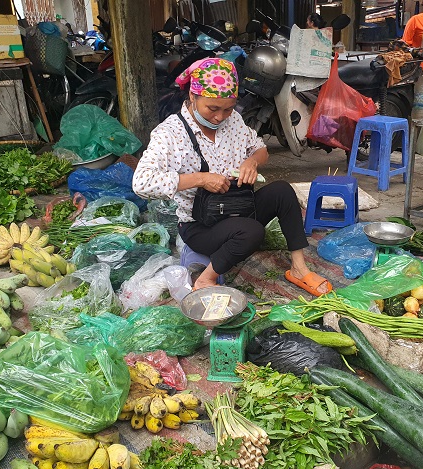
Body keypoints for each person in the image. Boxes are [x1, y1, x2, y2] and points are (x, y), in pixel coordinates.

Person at [132, 57, 333, 296]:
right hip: (201, 227)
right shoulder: (170, 133)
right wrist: (201, 179)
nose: (219, 117)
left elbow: (260, 149)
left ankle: (298, 268)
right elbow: (141, 181)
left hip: (238, 207)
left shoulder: (234, 121)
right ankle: (206, 280)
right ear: (193, 97)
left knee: (282, 191)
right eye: (212, 108)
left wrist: (252, 162)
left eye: (227, 109)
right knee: (251, 232)